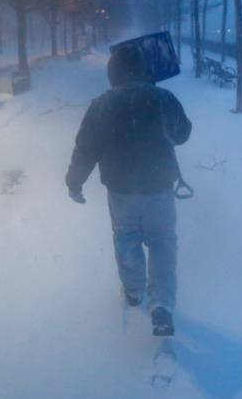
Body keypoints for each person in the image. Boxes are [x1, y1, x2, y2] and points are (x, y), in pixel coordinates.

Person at [65, 43, 192, 336]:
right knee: (162, 243)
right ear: (144, 69)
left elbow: (85, 149)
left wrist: (75, 182)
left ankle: (134, 291)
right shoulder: (162, 98)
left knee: (127, 239)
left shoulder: (101, 104)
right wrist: (159, 107)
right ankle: (161, 305)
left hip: (121, 191)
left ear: (113, 73)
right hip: (158, 187)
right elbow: (183, 134)